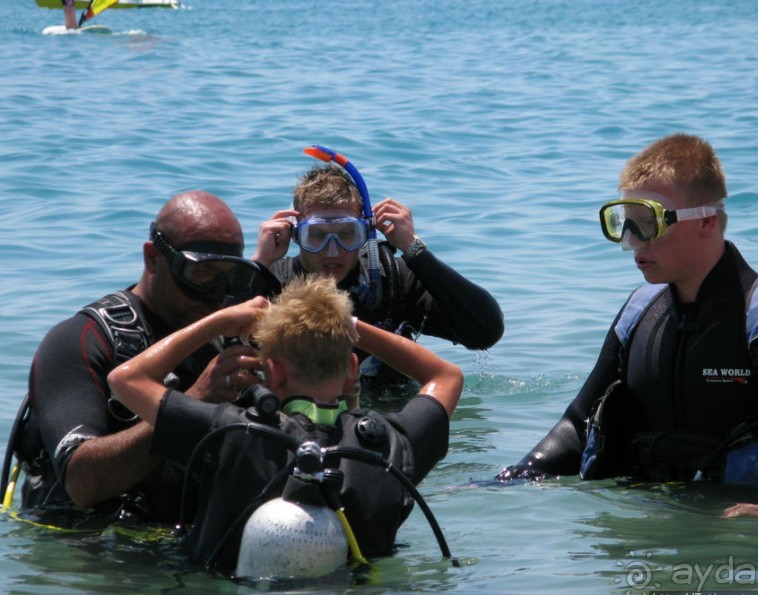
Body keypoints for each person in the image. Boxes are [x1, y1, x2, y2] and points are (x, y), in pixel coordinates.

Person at [496, 134, 758, 496]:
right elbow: (576, 427)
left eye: (649, 223)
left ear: (706, 221)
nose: (632, 240)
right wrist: (506, 481)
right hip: (652, 532)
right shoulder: (637, 315)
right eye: (624, 223)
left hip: (743, 534)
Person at [106, 274, 463, 574]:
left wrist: (220, 321)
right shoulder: (388, 445)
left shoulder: (231, 431)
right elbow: (446, 376)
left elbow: (126, 379)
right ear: (352, 369)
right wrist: (348, 326)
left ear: (272, 371)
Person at [8, 191, 270, 522]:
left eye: (231, 277)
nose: (216, 293)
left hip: (177, 548)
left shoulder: (221, 345)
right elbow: (81, 482)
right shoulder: (81, 340)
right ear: (153, 258)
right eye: (202, 274)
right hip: (87, 551)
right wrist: (194, 402)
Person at [253, 159, 504, 385]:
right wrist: (259, 264)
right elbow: (219, 348)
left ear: (367, 234)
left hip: (389, 420)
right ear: (295, 234)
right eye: (317, 235)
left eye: (347, 234)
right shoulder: (271, 281)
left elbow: (485, 332)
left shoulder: (391, 279)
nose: (332, 250)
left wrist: (414, 249)